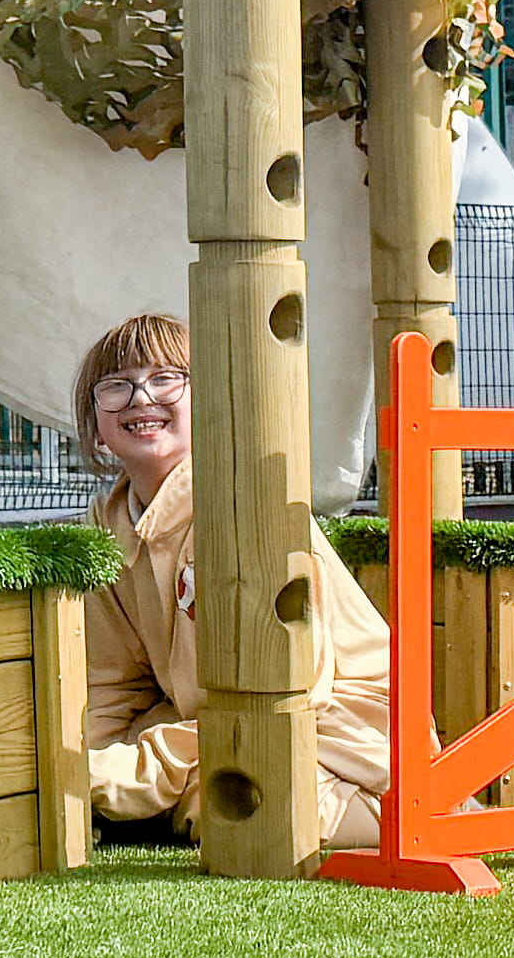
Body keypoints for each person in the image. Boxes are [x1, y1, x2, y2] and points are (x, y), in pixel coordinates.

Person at [70, 306, 398, 848]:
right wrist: (86, 777)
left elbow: (288, 691)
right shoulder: (110, 526)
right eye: (116, 386)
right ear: (97, 425)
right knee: (190, 789)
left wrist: (123, 776)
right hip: (219, 726)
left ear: (209, 405)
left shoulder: (241, 510)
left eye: (165, 379)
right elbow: (112, 683)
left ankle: (414, 809)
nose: (141, 399)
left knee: (240, 808)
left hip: (340, 728)